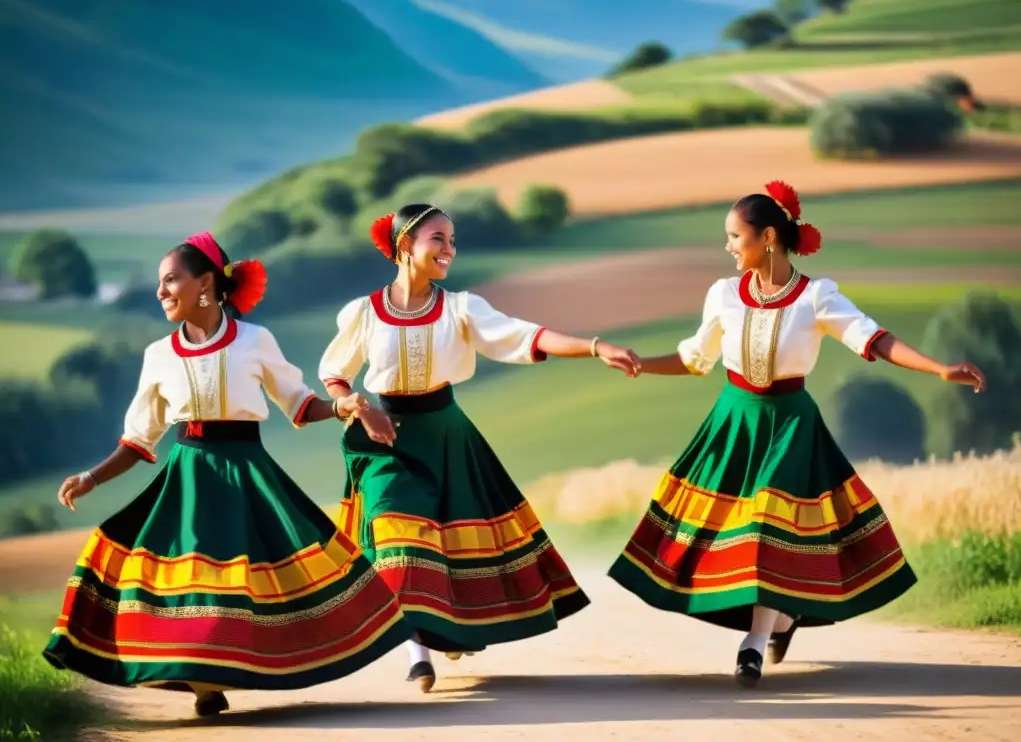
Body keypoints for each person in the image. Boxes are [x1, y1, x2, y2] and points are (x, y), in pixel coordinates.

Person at [607, 181, 986, 688]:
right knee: (734, 533)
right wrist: (640, 364)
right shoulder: (723, 294)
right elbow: (694, 358)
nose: (726, 247)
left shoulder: (816, 297)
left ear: (767, 237)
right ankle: (782, 619)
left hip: (790, 426)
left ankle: (752, 645)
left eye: (733, 236)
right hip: (734, 423)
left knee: (767, 525)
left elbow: (873, 339)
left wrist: (938, 369)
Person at [44, 232, 412, 717]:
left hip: (247, 476)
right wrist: (91, 478)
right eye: (159, 282)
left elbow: (300, 405)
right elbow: (139, 438)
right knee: (186, 580)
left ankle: (227, 669)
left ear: (205, 284)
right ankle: (203, 685)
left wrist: (344, 405)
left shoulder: (256, 340)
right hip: (188, 481)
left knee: (252, 580)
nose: (161, 291)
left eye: (170, 279)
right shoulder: (159, 354)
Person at [318, 204, 642, 692]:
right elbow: (334, 374)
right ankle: (417, 652)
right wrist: (359, 407)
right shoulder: (363, 312)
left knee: (447, 542)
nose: (449, 249)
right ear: (405, 244)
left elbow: (527, 335)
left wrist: (596, 346)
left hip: (446, 435)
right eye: (437, 239)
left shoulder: (462, 308)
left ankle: (443, 626)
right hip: (386, 440)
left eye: (452, 240)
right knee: (394, 531)